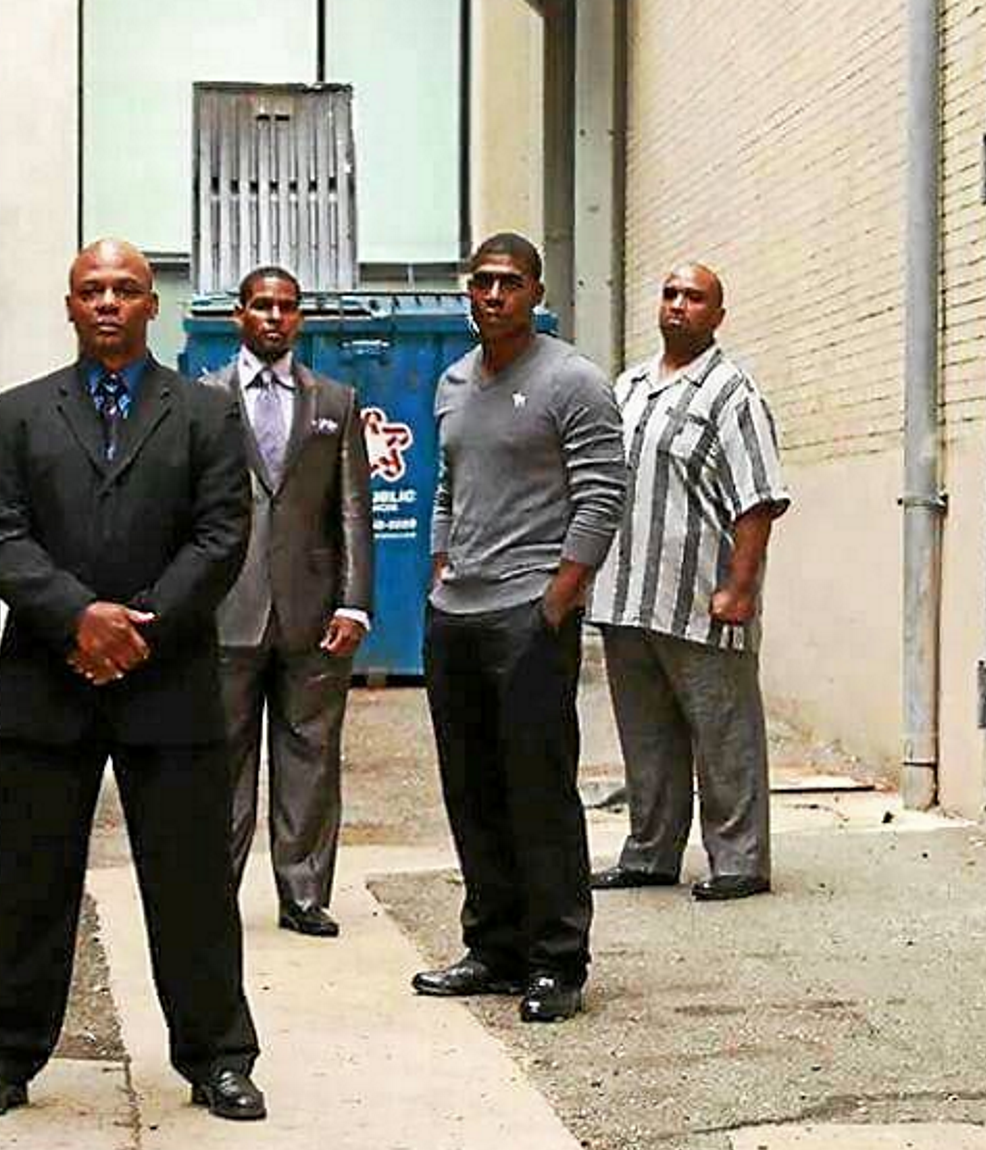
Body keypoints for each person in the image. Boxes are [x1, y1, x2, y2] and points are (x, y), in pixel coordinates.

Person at [0, 238, 264, 1122]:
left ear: (151, 305)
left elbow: (221, 537)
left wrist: (137, 630)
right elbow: (0, 536)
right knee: (28, 878)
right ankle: (3, 1056)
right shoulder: (19, 415)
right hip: (48, 680)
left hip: (169, 681)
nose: (108, 303)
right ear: (70, 304)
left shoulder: (206, 414)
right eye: (92, 289)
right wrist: (78, 618)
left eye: (126, 289)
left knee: (192, 880)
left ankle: (217, 1057)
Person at [411, 233, 628, 1023]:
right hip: (456, 615)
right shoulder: (454, 381)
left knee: (537, 790)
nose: (494, 295)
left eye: (509, 282)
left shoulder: (573, 381)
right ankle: (494, 949)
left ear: (536, 292)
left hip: (528, 615)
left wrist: (557, 600)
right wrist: (440, 568)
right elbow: (449, 485)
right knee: (472, 790)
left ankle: (556, 961)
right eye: (482, 282)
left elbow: (602, 495)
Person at [587, 263, 790, 902]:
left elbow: (758, 500)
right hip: (626, 595)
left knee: (724, 732)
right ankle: (650, 853)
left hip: (700, 597)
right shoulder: (628, 386)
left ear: (717, 316)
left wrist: (740, 587)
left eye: (695, 298)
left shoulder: (733, 393)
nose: (678, 305)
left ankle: (739, 861)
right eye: (670, 294)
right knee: (646, 738)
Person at [202, 265, 373, 938]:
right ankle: (211, 894)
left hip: (313, 612)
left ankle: (303, 895)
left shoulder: (336, 400)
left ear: (300, 318)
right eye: (262, 305)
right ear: (239, 315)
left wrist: (354, 603)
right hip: (225, 609)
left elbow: (352, 509)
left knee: (311, 754)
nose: (275, 316)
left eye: (287, 307)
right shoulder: (203, 399)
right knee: (219, 759)